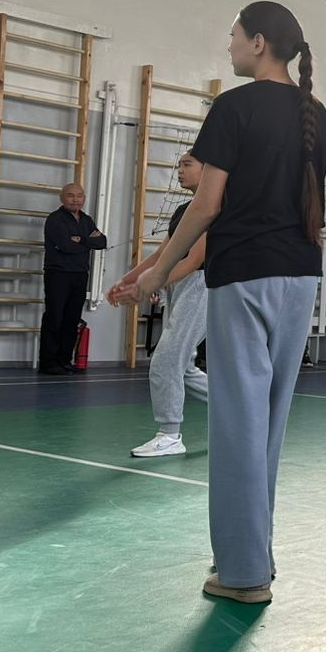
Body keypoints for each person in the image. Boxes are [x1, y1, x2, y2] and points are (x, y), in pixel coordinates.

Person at [125, 0, 326, 604]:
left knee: (237, 424)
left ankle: (243, 575)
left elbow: (207, 205)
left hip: (244, 275)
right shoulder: (318, 116)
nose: (230, 45)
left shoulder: (234, 107)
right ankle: (254, 556)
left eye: (235, 35)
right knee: (266, 424)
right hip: (300, 277)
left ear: (259, 42)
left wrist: (158, 272)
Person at [106, 153, 209, 457]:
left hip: (202, 286)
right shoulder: (183, 211)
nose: (179, 170)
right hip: (179, 286)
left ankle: (170, 435)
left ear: (207, 169)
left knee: (166, 359)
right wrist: (127, 280)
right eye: (178, 165)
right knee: (183, 366)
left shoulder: (212, 208)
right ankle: (244, 409)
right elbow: (161, 256)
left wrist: (151, 284)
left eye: (187, 164)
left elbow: (193, 261)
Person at [39, 182, 106, 375]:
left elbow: (102, 242)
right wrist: (88, 240)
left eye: (79, 196)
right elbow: (66, 246)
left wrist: (80, 239)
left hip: (80, 274)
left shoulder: (86, 219)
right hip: (58, 274)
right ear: (62, 198)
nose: (75, 199)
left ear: (84, 198)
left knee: (72, 318)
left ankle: (64, 360)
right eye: (70, 195)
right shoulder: (55, 219)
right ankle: (48, 363)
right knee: (55, 317)